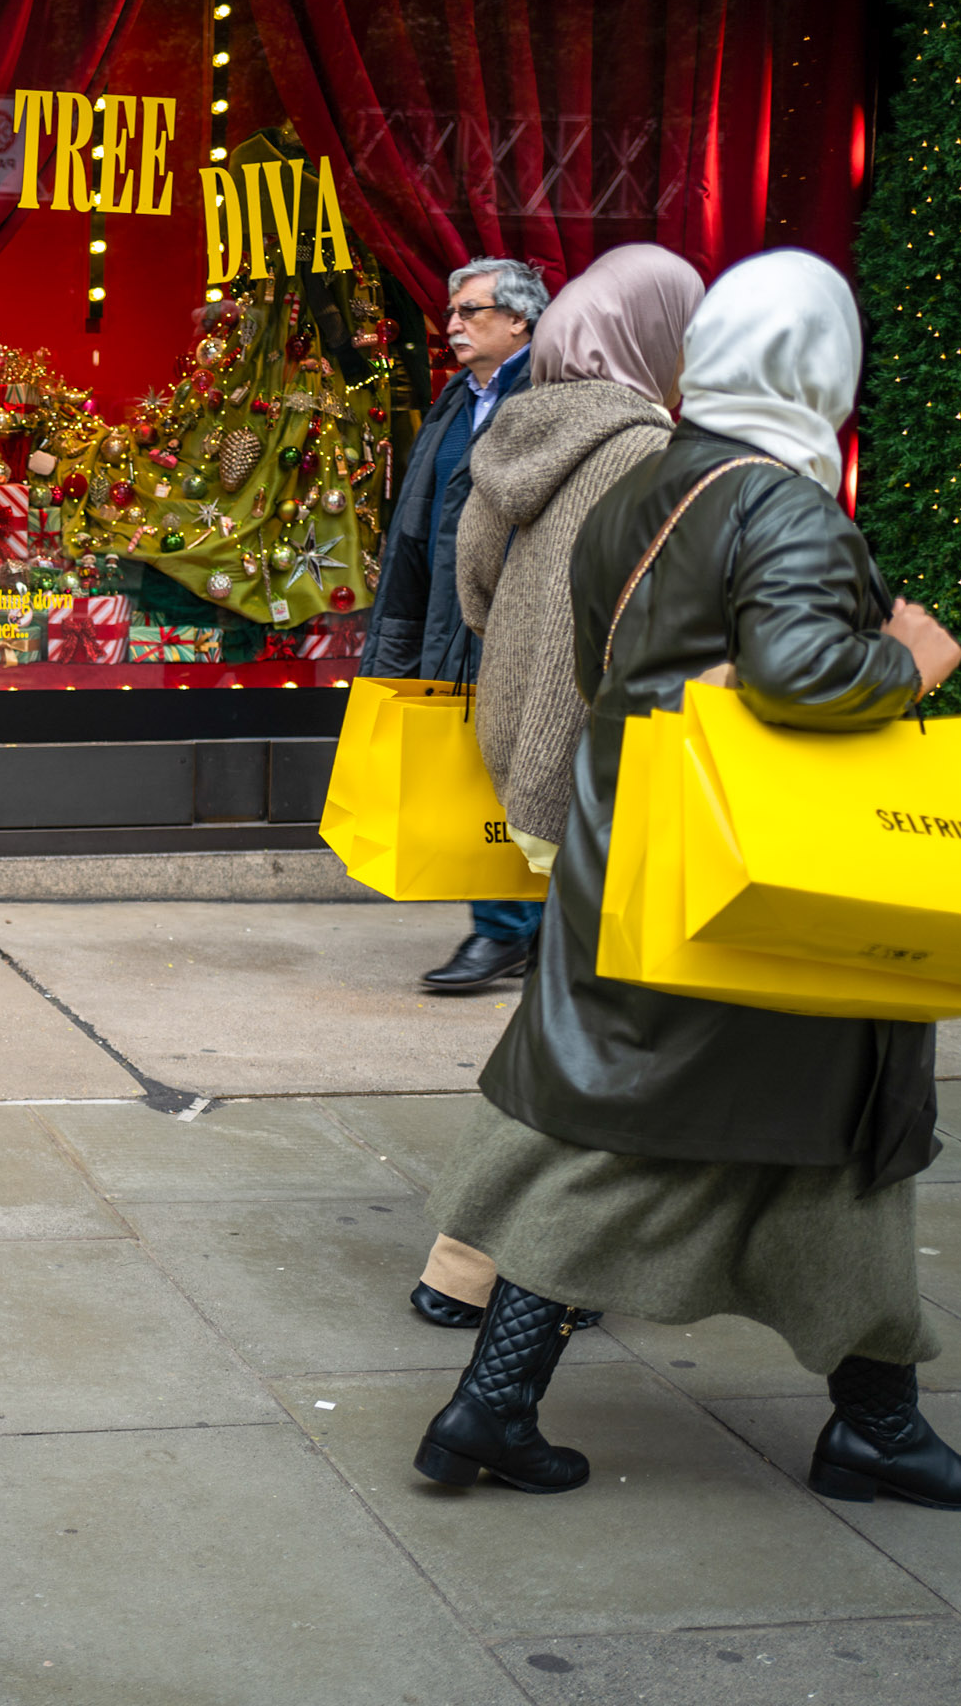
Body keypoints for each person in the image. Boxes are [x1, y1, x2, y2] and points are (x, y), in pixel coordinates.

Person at [407, 251, 961, 1515]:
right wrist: (905, 661)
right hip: (764, 888)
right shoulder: (784, 505)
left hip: (641, 858)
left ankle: (498, 1403)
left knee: (630, 1133)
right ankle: (874, 1427)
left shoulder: (646, 484)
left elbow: (616, 669)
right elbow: (798, 672)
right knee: (833, 1142)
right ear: (817, 365)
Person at [404, 244, 705, 1332]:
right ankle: (503, 1268)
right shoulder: (653, 452)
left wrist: (523, 656)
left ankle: (488, 1266)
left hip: (524, 746)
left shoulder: (520, 427)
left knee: (581, 1019)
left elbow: (471, 572)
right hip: (603, 765)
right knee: (599, 1034)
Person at [360, 256, 551, 993]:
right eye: (451, 312)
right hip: (449, 606)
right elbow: (426, 517)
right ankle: (515, 928)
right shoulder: (457, 396)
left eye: (470, 311)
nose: (453, 324)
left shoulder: (543, 397)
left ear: (519, 320)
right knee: (479, 763)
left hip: (513, 614)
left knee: (513, 763)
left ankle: (506, 929)